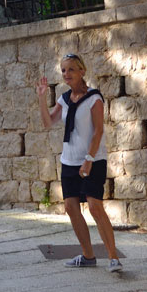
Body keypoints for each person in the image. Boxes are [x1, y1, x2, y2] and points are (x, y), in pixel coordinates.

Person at [37, 52, 123, 272]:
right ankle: (88, 256)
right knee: (70, 207)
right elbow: (48, 123)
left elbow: (98, 132)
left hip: (93, 160)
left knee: (95, 207)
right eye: (64, 70)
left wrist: (89, 159)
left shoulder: (94, 98)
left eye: (71, 70)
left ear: (82, 71)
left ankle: (113, 257)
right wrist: (41, 98)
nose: (66, 74)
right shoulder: (63, 99)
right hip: (69, 161)